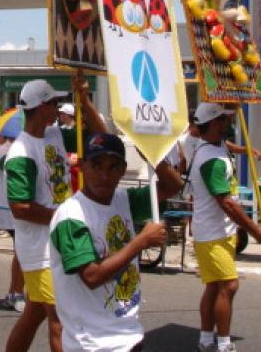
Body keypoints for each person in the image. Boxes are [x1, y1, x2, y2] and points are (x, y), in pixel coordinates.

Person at [49, 133, 182, 352]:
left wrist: (152, 155)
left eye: (113, 167)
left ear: (123, 169)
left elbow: (172, 187)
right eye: (96, 165)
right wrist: (141, 242)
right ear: (82, 167)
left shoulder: (123, 199)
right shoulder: (71, 216)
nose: (104, 175)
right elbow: (91, 276)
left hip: (129, 333)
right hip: (92, 342)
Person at [5, 77, 105, 352]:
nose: (58, 108)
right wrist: (64, 216)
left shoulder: (56, 135)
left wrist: (85, 102)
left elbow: (102, 137)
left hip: (60, 243)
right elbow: (20, 207)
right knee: (60, 320)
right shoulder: (20, 153)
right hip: (41, 250)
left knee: (34, 313)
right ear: (40, 107)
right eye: (54, 103)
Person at [189, 102, 261, 352]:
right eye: (222, 120)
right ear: (212, 124)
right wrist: (255, 229)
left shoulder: (217, 146)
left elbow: (231, 139)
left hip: (220, 232)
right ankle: (223, 344)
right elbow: (226, 202)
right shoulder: (209, 159)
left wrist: (234, 103)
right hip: (211, 233)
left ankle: (205, 340)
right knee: (229, 285)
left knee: (215, 286)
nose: (227, 123)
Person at [0, 127, 26, 312]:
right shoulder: (8, 152)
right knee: (22, 252)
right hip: (13, 211)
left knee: (21, 252)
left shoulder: (9, 150)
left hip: (12, 211)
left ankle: (14, 292)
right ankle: (16, 292)